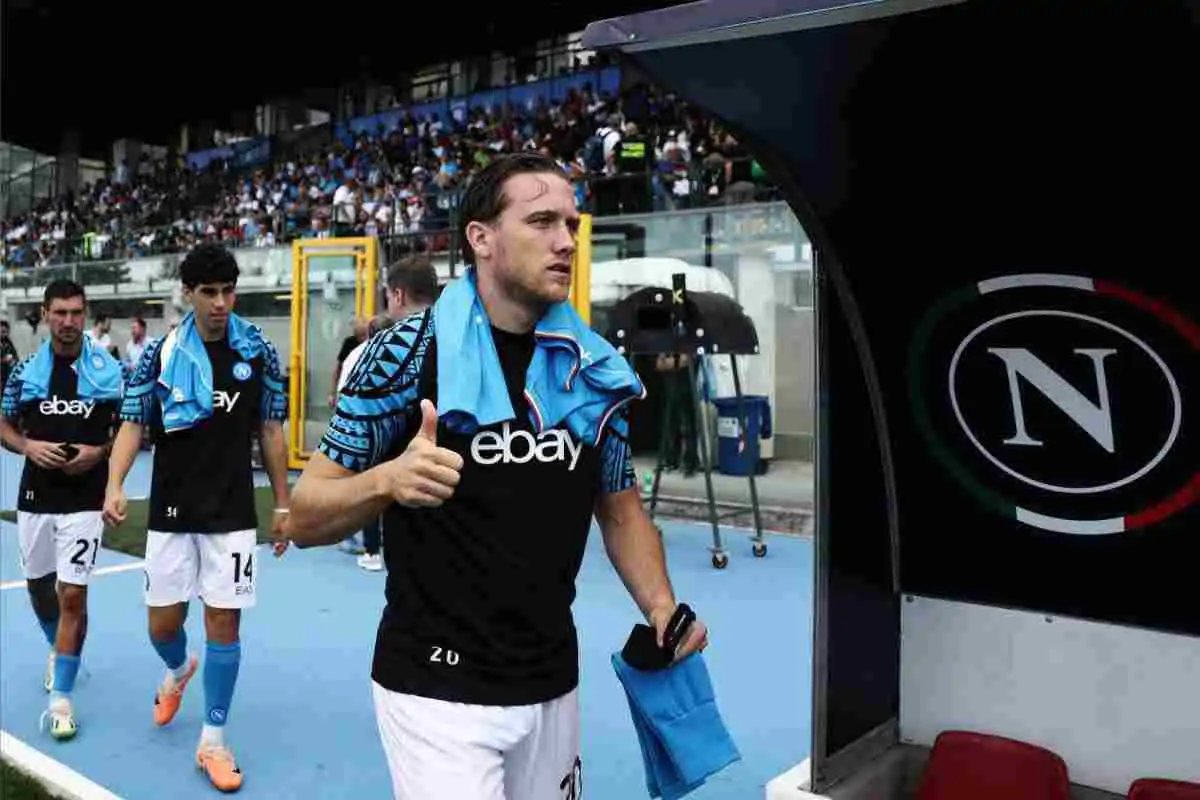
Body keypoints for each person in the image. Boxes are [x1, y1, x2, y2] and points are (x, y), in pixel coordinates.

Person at [286, 153, 709, 800]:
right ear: (480, 238)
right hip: (435, 688)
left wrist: (660, 606)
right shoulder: (402, 356)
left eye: (570, 223)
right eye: (541, 221)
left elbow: (621, 510)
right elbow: (304, 514)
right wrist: (388, 481)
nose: (565, 241)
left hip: (552, 680)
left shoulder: (593, 368)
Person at [102, 242, 290, 793]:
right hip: (171, 511)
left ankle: (213, 740)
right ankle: (179, 668)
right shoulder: (160, 354)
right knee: (163, 627)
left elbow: (271, 428)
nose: (220, 303)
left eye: (229, 291)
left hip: (232, 513)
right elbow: (133, 423)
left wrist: (283, 503)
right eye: (209, 292)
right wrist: (114, 483)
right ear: (187, 293)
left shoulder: (258, 351)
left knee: (224, 624)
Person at [0, 280, 124, 741]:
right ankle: (60, 648)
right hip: (36, 496)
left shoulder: (110, 371)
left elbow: (130, 427)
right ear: (45, 314)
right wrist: (28, 446)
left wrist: (101, 453)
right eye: (60, 313)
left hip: (85, 499)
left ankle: (61, 700)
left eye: (76, 313)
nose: (69, 321)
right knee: (39, 588)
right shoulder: (25, 372)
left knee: (73, 595)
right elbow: (4, 423)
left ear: (85, 314)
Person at [335, 254, 439, 572]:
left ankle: (369, 547)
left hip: (402, 475)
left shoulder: (382, 351)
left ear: (398, 295)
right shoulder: (468, 337)